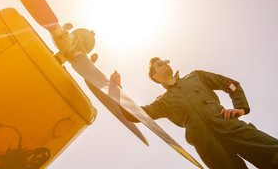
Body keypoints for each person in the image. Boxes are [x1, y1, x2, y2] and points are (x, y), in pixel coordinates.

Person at [111, 57, 278, 169]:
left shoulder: (196, 76)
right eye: (160, 63)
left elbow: (231, 85)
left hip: (232, 128)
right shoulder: (163, 102)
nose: (166, 62)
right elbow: (134, 115)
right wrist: (118, 91)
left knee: (274, 155)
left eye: (166, 60)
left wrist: (240, 107)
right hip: (208, 147)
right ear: (155, 76)